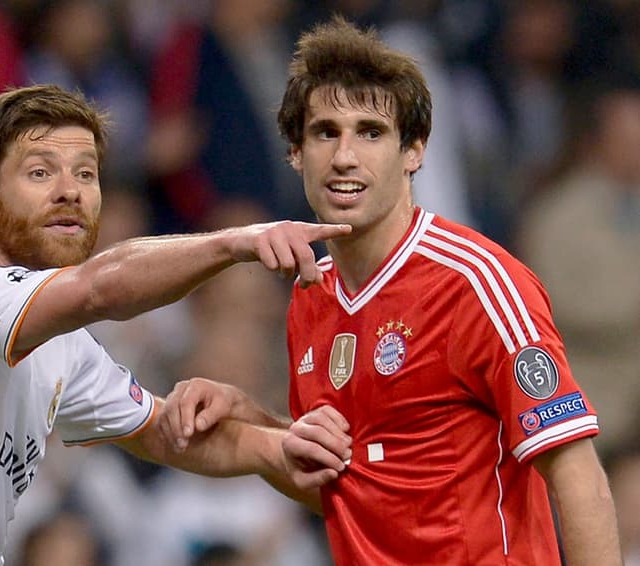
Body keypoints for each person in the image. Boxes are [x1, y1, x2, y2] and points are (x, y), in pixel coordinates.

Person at [160, 17, 623, 565]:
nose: (345, 157)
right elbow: (359, 484)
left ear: (414, 151)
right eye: (325, 132)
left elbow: (577, 475)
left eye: (371, 132)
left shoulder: (477, 283)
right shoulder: (311, 295)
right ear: (294, 152)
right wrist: (252, 422)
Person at [0, 83, 352, 565]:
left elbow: (169, 437)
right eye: (40, 172)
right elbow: (99, 288)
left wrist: (278, 444)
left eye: (85, 173)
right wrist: (234, 243)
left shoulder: (66, 348)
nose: (70, 190)